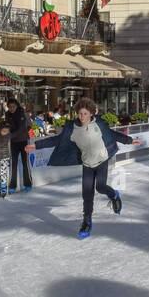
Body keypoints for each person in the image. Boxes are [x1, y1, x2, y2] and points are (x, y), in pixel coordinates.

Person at [47, 97, 134, 239]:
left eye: (85, 114)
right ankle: (87, 221)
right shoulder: (73, 129)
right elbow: (56, 140)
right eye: (80, 113)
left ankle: (114, 195)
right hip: (87, 164)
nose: (82, 117)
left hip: (102, 160)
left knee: (100, 187)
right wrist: (36, 145)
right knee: (87, 194)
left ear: (91, 113)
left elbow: (112, 134)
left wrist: (129, 140)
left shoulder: (99, 124)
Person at [4, 97, 33, 193]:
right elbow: (7, 126)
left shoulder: (22, 113)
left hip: (24, 141)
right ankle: (12, 186)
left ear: (16, 106)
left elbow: (22, 128)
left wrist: (11, 135)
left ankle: (28, 184)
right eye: (9, 107)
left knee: (25, 163)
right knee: (13, 164)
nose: (11, 109)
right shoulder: (7, 114)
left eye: (13, 106)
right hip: (13, 142)